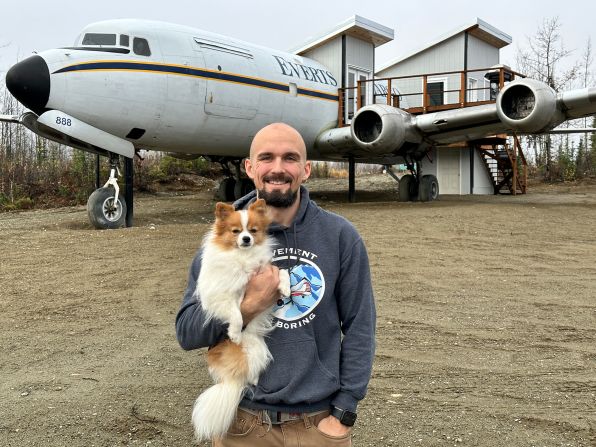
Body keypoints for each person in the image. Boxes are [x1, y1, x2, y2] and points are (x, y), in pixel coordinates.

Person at [176, 123, 376, 446]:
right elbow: (186, 332)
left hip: (316, 426)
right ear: (250, 167)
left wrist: (344, 412)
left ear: (306, 169)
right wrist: (249, 306)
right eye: (266, 158)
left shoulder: (340, 237)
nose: (278, 169)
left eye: (290, 158)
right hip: (241, 425)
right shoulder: (221, 244)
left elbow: (360, 326)